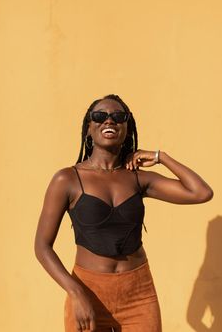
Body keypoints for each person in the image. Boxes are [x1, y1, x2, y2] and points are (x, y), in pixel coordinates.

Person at [35, 94, 213, 332]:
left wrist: (161, 157)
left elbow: (201, 193)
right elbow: (42, 246)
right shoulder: (67, 179)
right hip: (88, 290)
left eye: (119, 117)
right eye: (99, 116)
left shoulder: (138, 178)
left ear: (127, 129)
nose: (109, 121)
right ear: (88, 129)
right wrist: (75, 291)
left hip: (139, 293)